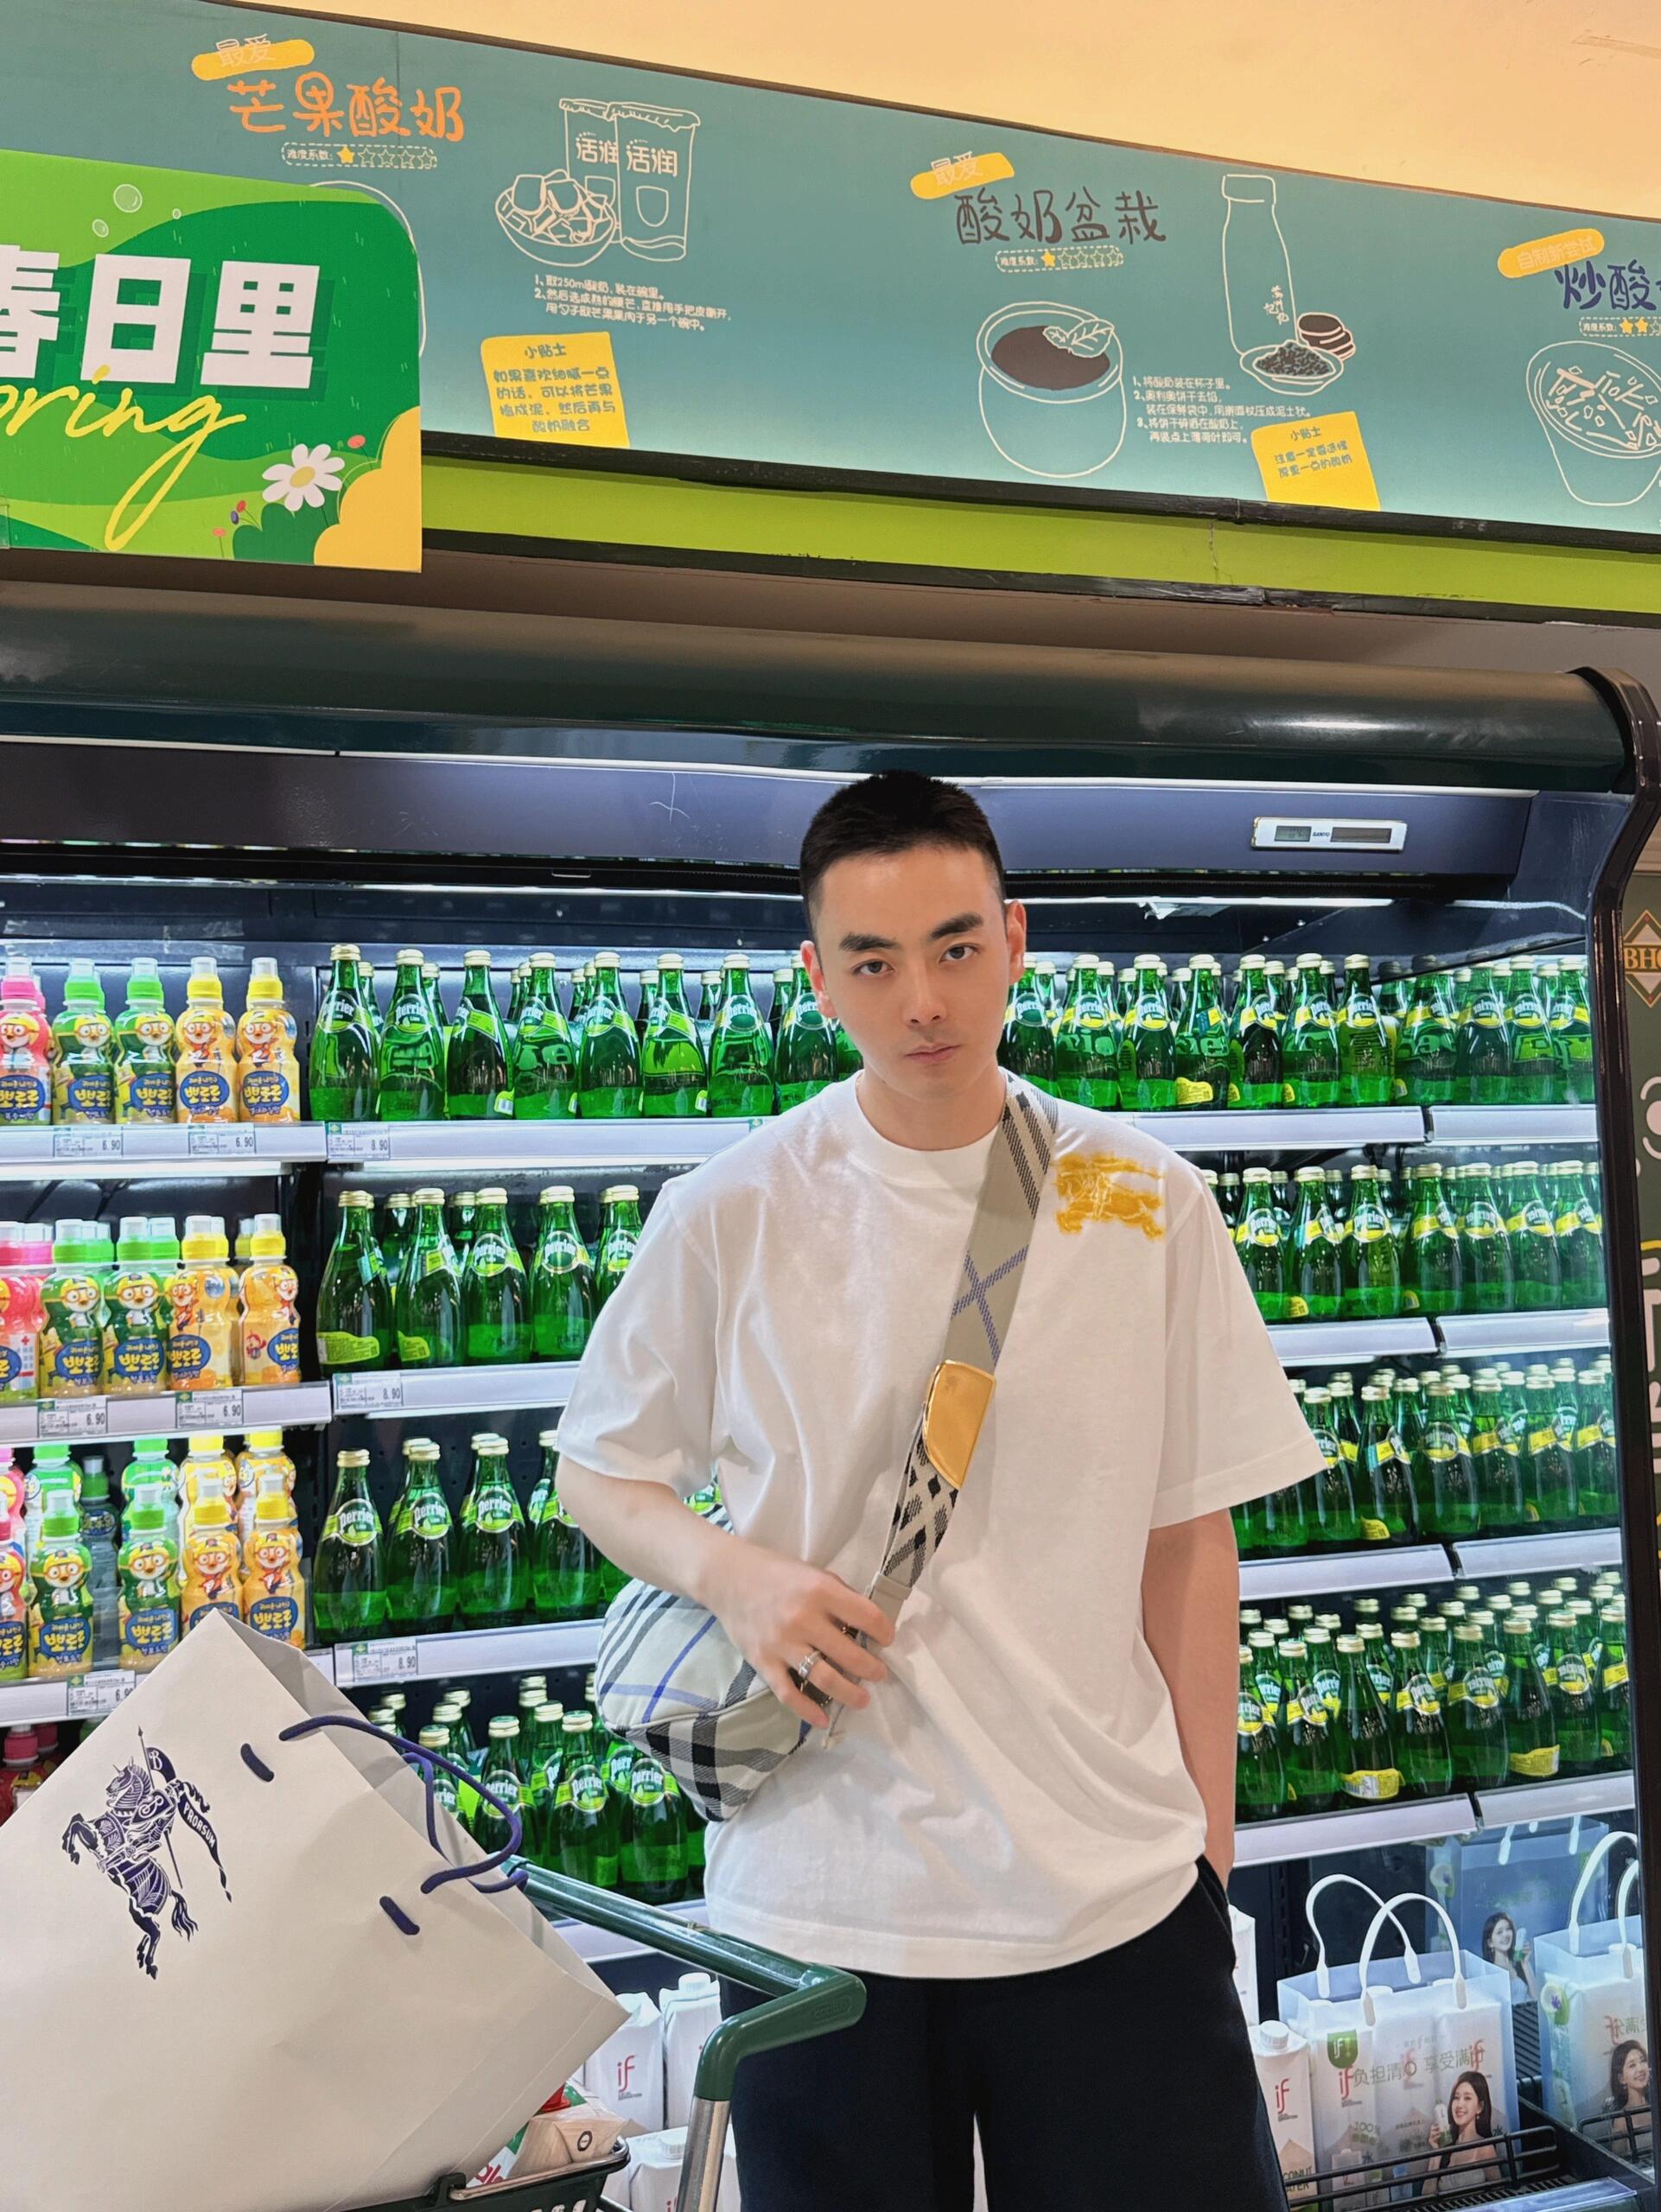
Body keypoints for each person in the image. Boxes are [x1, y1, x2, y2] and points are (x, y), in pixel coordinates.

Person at [557, 770, 1319, 2211]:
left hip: (1109, 1892)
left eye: (956, 948)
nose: (923, 1001)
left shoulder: (1146, 1198)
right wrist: (738, 1578)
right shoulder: (732, 1208)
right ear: (815, 978)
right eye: (873, 963)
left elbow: (1186, 1541)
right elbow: (599, 1469)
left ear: (1014, 939)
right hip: (818, 1909)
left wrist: (1206, 1855)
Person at [1426, 2069, 1497, 2196]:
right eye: (1456, 2097)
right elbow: (1426, 2197)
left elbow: (1499, 2192)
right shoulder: (1447, 2146)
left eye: (1467, 2098)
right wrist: (1436, 2152)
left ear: (1480, 2107)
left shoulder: (1485, 2148)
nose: (1459, 2104)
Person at [1480, 1910, 1540, 2002]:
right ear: (1490, 1943)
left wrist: (1525, 1964)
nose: (1505, 1934)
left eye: (1508, 1929)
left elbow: (1537, 1998)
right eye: (1499, 1932)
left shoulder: (1519, 1963)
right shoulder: (1490, 1972)